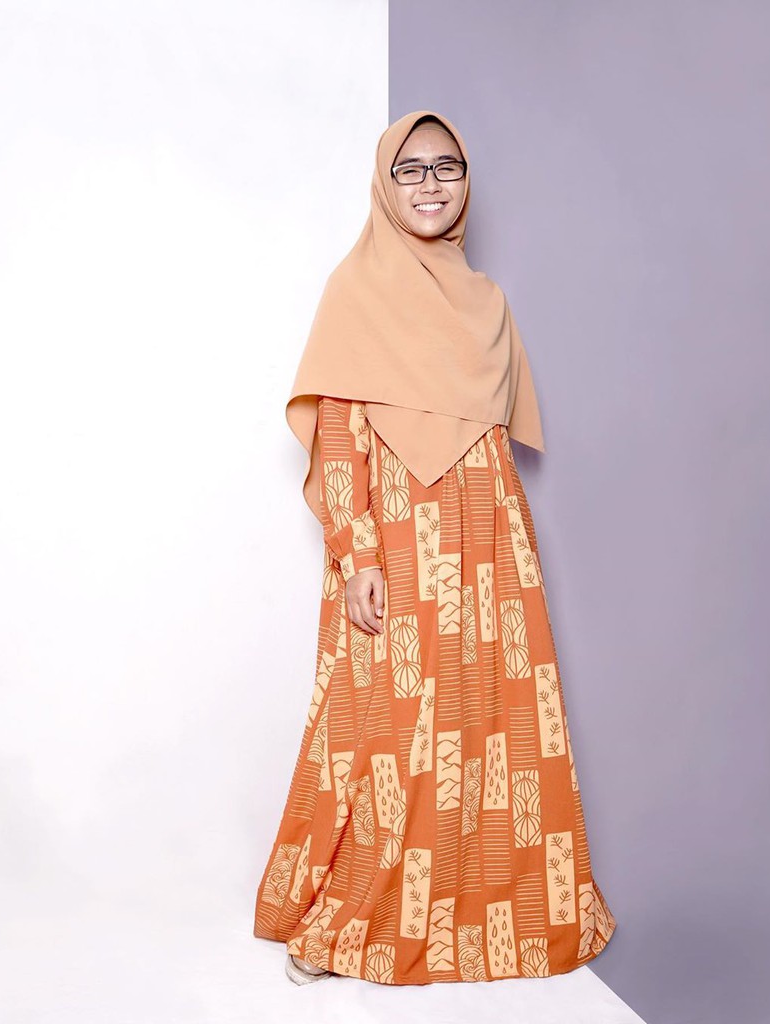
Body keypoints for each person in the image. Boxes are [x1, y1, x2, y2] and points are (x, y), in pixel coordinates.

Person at [252, 109, 616, 986]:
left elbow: (492, 437)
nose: (429, 184)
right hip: (398, 537)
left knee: (492, 721)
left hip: (489, 532)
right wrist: (357, 555)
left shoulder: (486, 301)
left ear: (465, 181)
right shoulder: (356, 290)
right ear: (385, 184)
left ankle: (501, 918)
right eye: (409, 169)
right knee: (389, 728)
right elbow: (339, 436)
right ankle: (360, 917)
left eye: (445, 167)